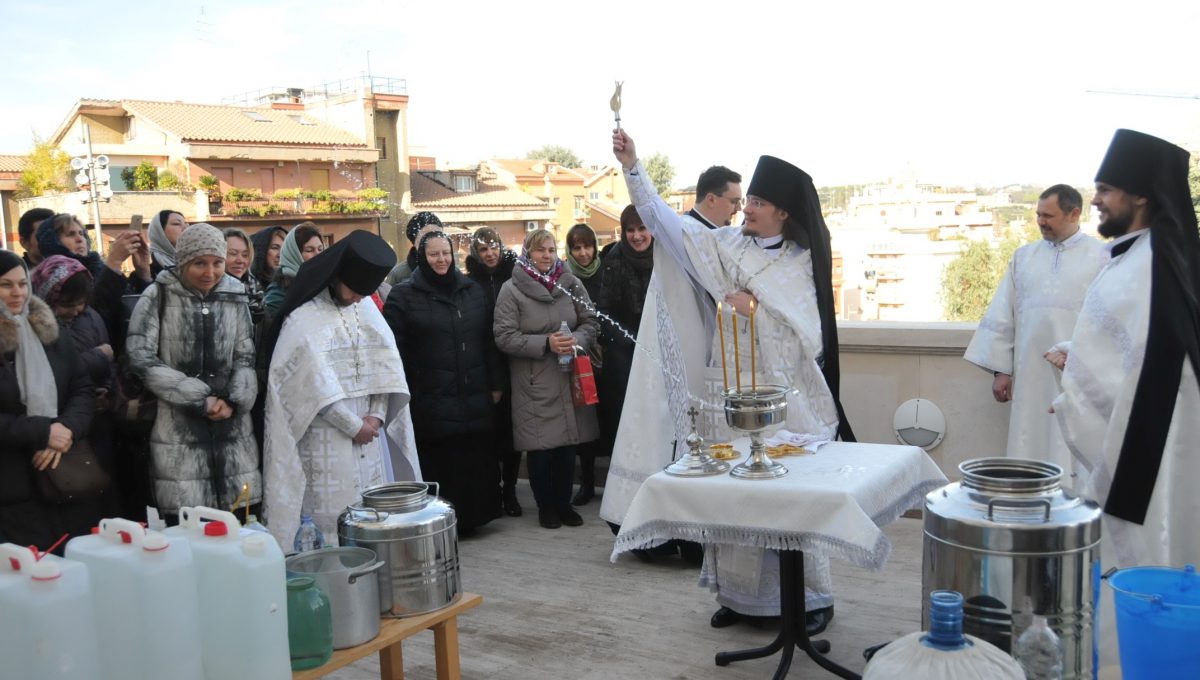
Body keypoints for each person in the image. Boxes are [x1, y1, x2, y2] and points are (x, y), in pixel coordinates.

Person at [608, 129, 853, 633]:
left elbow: (810, 334)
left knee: (787, 500)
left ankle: (808, 600)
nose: (748, 210)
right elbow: (665, 224)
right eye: (748, 201)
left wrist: (756, 308)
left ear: (783, 212)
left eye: (758, 202)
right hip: (732, 397)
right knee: (734, 495)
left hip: (784, 402)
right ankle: (740, 598)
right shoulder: (724, 245)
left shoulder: (799, 262)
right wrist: (633, 166)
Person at [1050, 129, 1200, 671]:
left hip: (1150, 452)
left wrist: (1075, 400)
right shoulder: (1138, 256)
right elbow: (1131, 349)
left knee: (1146, 557)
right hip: (1144, 438)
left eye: (1107, 189)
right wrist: (1076, 360)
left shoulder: (1154, 262)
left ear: (1141, 195)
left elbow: (1159, 371)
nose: (1095, 199)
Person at [600, 164, 742, 563]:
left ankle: (693, 533)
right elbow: (648, 204)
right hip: (669, 351)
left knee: (692, 438)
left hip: (700, 352)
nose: (737, 208)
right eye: (733, 200)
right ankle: (660, 533)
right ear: (711, 199)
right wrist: (631, 163)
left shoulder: (716, 234)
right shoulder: (679, 228)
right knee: (663, 434)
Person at [262, 230, 420, 548]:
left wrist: (375, 417)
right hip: (326, 438)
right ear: (337, 276)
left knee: (372, 519)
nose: (360, 298)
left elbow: (385, 368)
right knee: (332, 526)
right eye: (355, 290)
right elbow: (305, 386)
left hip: (370, 437)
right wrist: (354, 426)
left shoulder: (366, 310)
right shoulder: (303, 318)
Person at [963, 185, 1106, 476]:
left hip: (1079, 377)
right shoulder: (1023, 257)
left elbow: (1109, 323)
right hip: (1028, 377)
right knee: (1028, 442)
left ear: (1074, 213)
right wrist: (1001, 371)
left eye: (1048, 215)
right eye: (1038, 214)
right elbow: (1004, 315)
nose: (1041, 221)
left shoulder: (1102, 257)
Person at [125, 224, 260, 519]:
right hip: (177, 430)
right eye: (200, 263)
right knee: (188, 527)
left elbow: (245, 356)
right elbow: (140, 355)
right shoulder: (159, 294)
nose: (210, 272)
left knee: (238, 526)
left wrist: (235, 400)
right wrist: (198, 398)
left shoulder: (234, 295)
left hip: (232, 431)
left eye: (217, 263)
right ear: (184, 261)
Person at [383, 231, 502, 535]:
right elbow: (395, 350)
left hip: (473, 389)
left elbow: (488, 341)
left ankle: (476, 517)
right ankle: (443, 522)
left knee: (474, 456)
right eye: (434, 254)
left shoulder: (472, 290)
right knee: (443, 460)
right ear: (422, 257)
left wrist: (496, 383)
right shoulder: (404, 294)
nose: (441, 260)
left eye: (446, 253)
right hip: (431, 396)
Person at [493, 228, 600, 529]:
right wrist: (545, 343)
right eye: (540, 250)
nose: (546, 256)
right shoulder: (511, 289)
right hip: (534, 379)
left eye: (551, 250)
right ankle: (546, 507)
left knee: (568, 445)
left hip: (570, 375)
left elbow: (591, 321)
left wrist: (575, 338)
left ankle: (564, 504)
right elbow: (503, 336)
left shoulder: (571, 283)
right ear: (528, 252)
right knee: (541, 448)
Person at [0, 251, 96, 550]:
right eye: (5, 285)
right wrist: (44, 432)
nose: (17, 293)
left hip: (65, 475)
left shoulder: (46, 329)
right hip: (11, 486)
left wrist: (66, 429)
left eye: (22, 283)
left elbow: (82, 388)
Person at [30, 255, 119, 518]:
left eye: (82, 303)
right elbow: (55, 371)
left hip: (96, 420)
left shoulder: (91, 316)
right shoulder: (35, 325)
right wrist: (99, 357)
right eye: (69, 304)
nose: (77, 310)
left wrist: (108, 390)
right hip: (56, 431)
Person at [587, 205, 654, 507]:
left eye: (642, 228)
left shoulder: (666, 259)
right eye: (631, 230)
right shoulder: (612, 261)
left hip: (659, 354)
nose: (637, 236)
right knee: (627, 424)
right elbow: (604, 313)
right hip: (624, 357)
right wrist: (629, 338)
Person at [465, 227, 524, 517]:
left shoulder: (514, 277)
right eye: (484, 249)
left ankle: (510, 491)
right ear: (476, 252)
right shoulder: (470, 283)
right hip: (485, 364)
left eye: (494, 247)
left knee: (513, 434)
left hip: (515, 360)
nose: (490, 254)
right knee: (490, 433)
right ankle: (493, 490)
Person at [563, 223, 607, 506]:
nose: (583, 253)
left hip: (610, 359)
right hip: (581, 359)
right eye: (576, 247)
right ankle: (587, 482)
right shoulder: (563, 279)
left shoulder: (607, 273)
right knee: (585, 423)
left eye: (587, 246)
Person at [262, 222, 323, 321]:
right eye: (309, 250)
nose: (318, 254)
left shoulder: (325, 283)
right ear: (294, 254)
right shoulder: (277, 294)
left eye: (320, 249)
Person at [223, 228, 266, 330]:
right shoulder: (212, 294)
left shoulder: (256, 290)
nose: (240, 260)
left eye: (245, 255)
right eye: (233, 253)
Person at [388, 212, 443, 285]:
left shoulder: (451, 270)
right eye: (426, 237)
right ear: (414, 242)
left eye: (439, 235)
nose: (434, 241)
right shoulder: (399, 275)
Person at [147, 210, 189, 276]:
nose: (186, 228)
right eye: (176, 224)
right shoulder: (146, 274)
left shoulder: (195, 262)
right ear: (159, 231)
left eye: (186, 224)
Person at [249, 226, 286, 291]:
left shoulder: (294, 284)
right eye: (274, 248)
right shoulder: (248, 286)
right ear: (262, 251)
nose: (280, 255)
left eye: (285, 249)